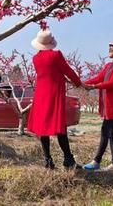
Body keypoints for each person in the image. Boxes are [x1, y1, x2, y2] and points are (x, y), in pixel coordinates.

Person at [27, 30, 83, 170]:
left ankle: (48, 160)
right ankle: (68, 159)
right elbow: (67, 70)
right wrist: (78, 83)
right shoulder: (56, 55)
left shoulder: (35, 58)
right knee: (60, 126)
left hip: (40, 94)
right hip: (53, 93)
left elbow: (48, 72)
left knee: (42, 128)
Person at [83, 40, 113, 171]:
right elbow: (99, 77)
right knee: (109, 132)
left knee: (106, 131)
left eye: (112, 48)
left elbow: (112, 83)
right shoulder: (109, 65)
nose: (109, 50)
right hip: (107, 104)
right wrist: (83, 83)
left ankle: (98, 161)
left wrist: (93, 86)